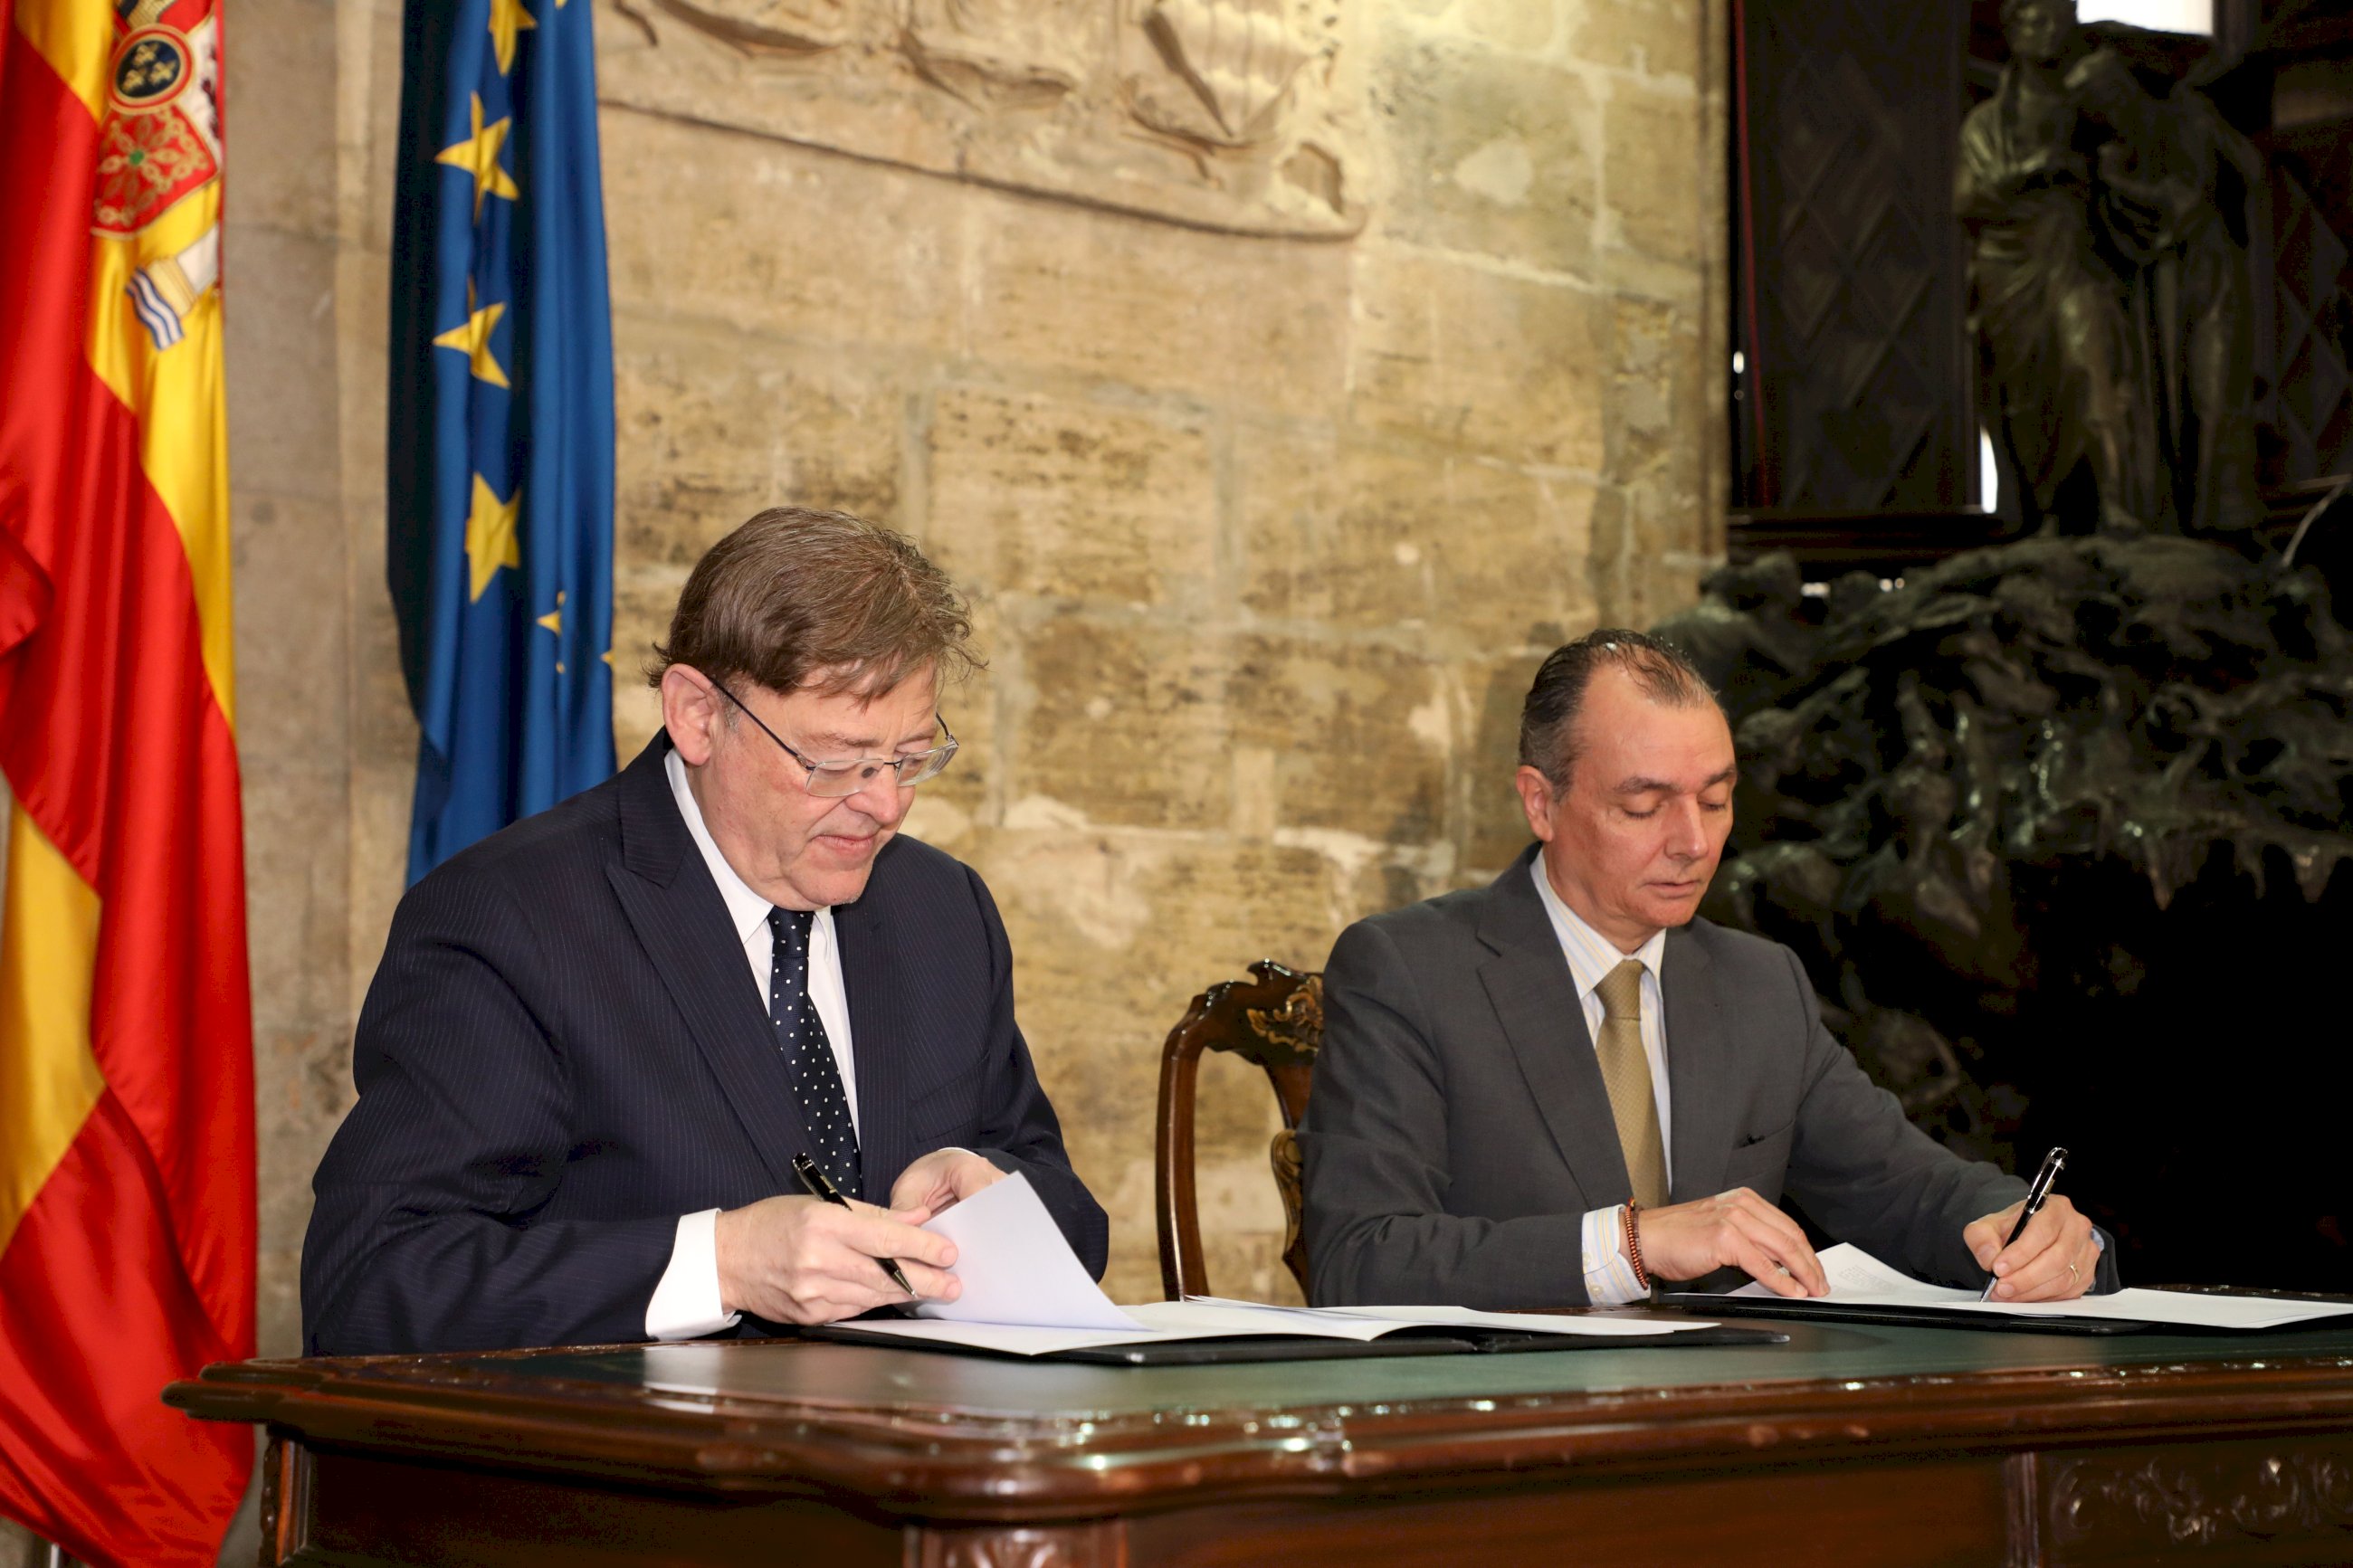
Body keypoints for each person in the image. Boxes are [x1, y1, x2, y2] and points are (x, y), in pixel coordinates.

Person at [302, 508, 1107, 1354]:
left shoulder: (942, 911)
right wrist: (719, 1263)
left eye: (909, 758)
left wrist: (993, 1203)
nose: (884, 803)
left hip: (921, 1460)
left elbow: (1070, 1213)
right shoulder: (513, 918)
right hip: (642, 1471)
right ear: (696, 715)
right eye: (835, 760)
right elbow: (370, 1281)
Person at [1298, 630, 2112, 1309]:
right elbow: (1361, 1257)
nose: (1693, 842)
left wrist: (2021, 1228)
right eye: (1644, 807)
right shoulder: (1407, 969)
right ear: (1541, 802)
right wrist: (1632, 1243)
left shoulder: (1759, 985)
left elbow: (1905, 1186)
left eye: (1716, 799)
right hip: (1506, 1452)